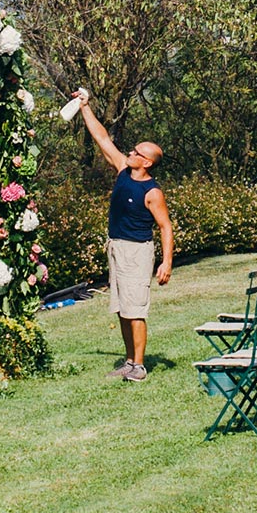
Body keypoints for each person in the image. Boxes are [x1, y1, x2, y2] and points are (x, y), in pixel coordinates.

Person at [71, 92, 172, 382]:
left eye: (136, 152)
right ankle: (129, 361)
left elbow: (165, 227)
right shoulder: (122, 171)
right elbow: (103, 139)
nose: (130, 153)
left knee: (135, 309)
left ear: (147, 163)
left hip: (137, 252)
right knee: (122, 308)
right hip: (116, 247)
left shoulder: (152, 192)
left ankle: (138, 367)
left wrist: (166, 263)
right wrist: (85, 107)